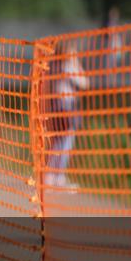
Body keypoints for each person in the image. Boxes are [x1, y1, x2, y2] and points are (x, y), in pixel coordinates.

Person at [44, 41, 89, 189]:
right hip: (64, 107)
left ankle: (54, 175)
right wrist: (76, 63)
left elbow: (84, 82)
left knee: (62, 142)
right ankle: (54, 175)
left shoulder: (58, 66)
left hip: (62, 106)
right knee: (62, 142)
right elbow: (83, 82)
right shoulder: (66, 67)